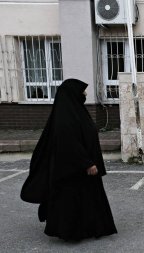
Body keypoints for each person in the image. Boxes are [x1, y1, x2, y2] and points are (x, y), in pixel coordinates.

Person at [20, 78, 117, 241]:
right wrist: (87, 163)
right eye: (82, 91)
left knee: (85, 198)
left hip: (78, 168)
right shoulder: (65, 117)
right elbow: (69, 142)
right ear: (73, 94)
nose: (85, 94)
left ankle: (88, 229)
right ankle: (71, 233)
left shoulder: (75, 111)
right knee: (71, 200)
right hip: (72, 169)